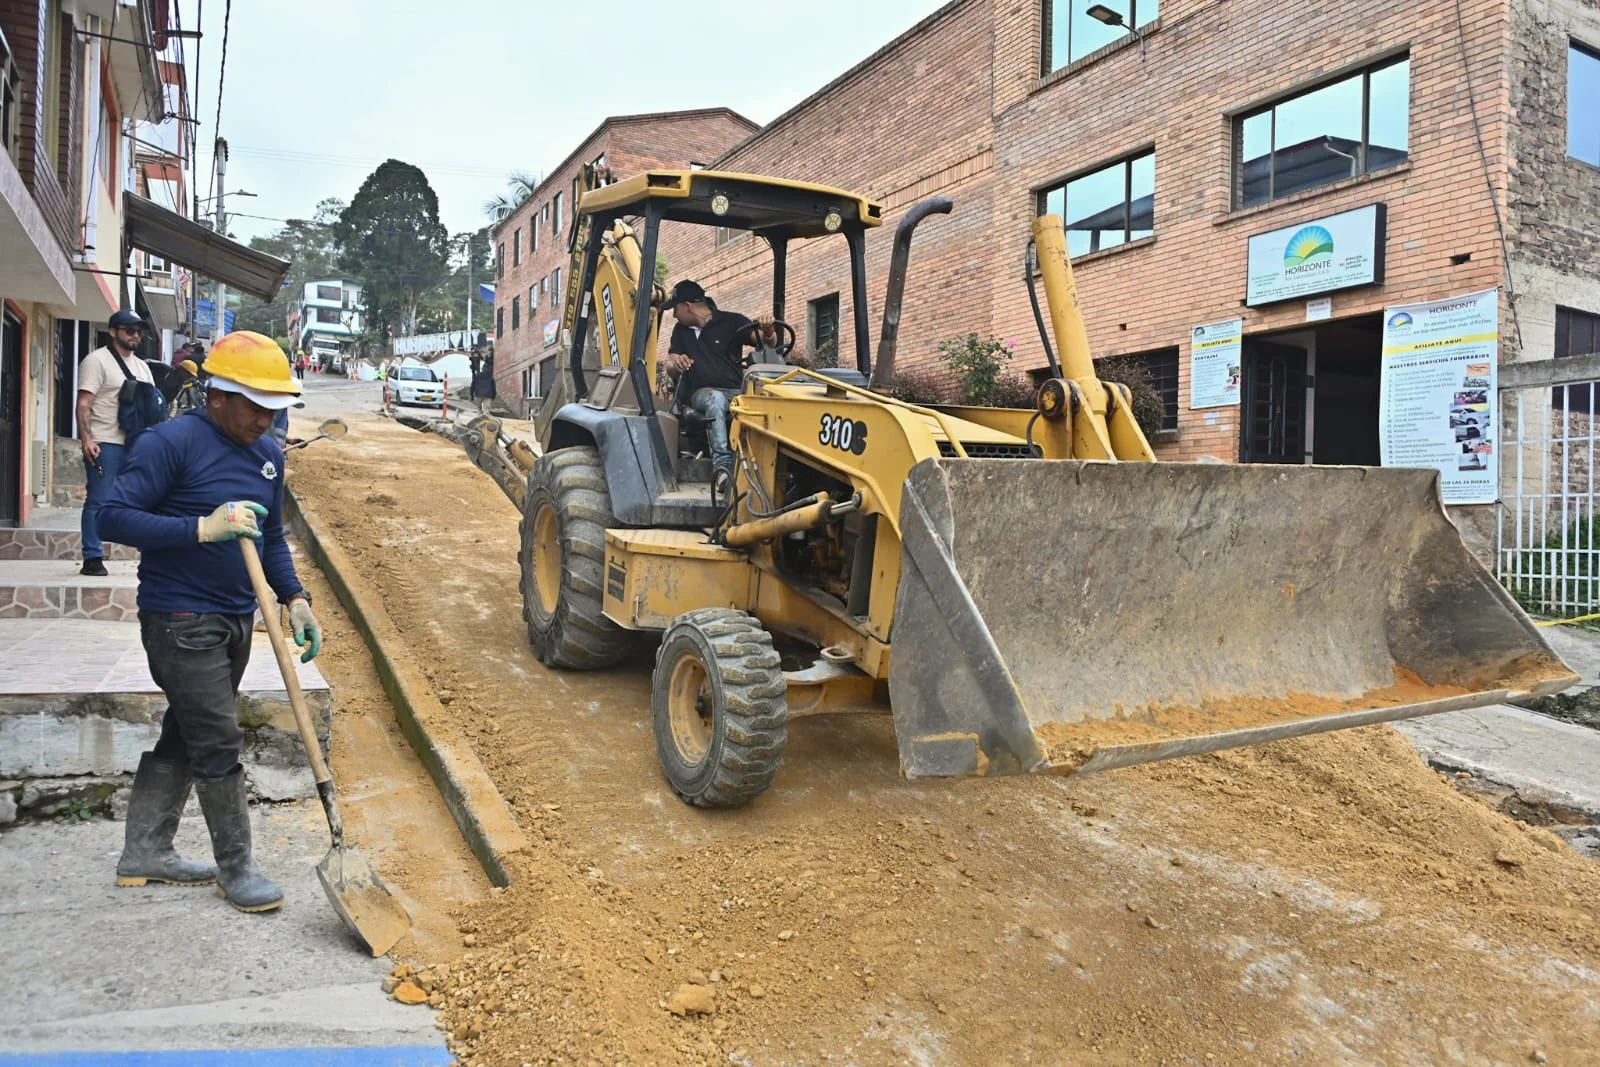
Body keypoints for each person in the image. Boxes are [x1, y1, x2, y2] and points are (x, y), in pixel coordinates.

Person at [98, 330, 322, 915]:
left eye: (275, 410)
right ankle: (237, 868)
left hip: (234, 617)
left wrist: (293, 596)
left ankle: (145, 852)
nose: (266, 420)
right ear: (217, 396)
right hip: (178, 617)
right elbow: (113, 517)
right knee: (218, 737)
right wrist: (200, 528)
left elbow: (269, 535)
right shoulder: (169, 443)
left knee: (187, 729)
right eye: (255, 407)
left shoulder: (269, 455)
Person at [660, 280, 776, 499]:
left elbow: (766, 341)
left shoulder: (732, 322)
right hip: (701, 394)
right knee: (715, 399)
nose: (674, 315)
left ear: (688, 305)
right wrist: (676, 364)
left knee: (761, 400)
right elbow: (671, 362)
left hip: (735, 391)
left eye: (675, 309)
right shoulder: (681, 332)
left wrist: (768, 329)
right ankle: (722, 468)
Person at [76, 310, 156, 576]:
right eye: (129, 330)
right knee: (98, 499)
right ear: (112, 331)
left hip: (137, 444)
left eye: (139, 331)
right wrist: (87, 437)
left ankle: (150, 553)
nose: (136, 335)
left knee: (142, 500)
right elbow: (84, 403)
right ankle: (92, 556)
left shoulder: (142, 367)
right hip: (105, 441)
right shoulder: (96, 361)